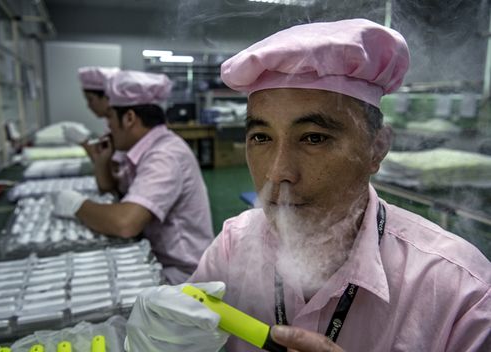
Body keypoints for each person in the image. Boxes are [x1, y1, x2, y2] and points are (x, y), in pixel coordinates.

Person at [124, 19, 491, 352]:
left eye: (313, 138)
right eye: (262, 138)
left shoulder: (459, 293)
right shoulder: (234, 246)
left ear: (376, 148)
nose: (278, 173)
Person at [52, 70, 215, 285]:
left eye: (110, 116)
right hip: (155, 256)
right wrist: (102, 162)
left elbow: (125, 222)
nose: (108, 125)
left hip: (183, 277)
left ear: (129, 118)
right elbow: (113, 191)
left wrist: (76, 205)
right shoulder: (141, 148)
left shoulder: (165, 155)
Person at [62, 66, 120, 154]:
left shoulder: (121, 127)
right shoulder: (110, 123)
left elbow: (110, 164)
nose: (88, 106)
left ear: (107, 97)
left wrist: (85, 143)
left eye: (90, 99)